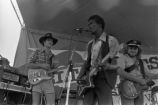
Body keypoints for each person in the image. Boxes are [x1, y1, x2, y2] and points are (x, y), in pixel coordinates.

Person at [77, 14, 120, 105]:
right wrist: (80, 76)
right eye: (88, 24)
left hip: (104, 78)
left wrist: (109, 66)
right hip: (89, 79)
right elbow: (86, 62)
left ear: (100, 25)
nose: (88, 26)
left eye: (91, 23)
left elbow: (119, 64)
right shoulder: (90, 43)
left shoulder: (111, 40)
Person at [117, 40, 158, 105]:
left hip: (139, 88)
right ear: (127, 49)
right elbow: (121, 72)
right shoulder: (122, 58)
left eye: (135, 48)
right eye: (131, 48)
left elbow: (148, 74)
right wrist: (139, 80)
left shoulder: (141, 62)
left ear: (138, 50)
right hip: (127, 87)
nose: (133, 50)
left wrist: (156, 75)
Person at [27, 33, 58, 105]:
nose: (50, 42)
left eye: (51, 41)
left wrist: (54, 71)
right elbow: (28, 65)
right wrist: (41, 65)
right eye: (48, 40)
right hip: (36, 80)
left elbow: (54, 71)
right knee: (35, 103)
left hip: (48, 81)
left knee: (51, 103)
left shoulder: (54, 57)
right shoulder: (36, 52)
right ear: (44, 42)